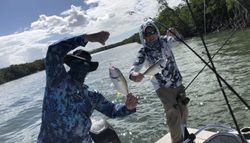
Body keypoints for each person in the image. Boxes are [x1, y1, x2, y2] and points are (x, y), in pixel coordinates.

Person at [37, 31, 138, 143]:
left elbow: (113, 110)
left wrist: (128, 107)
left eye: (85, 64)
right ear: (71, 64)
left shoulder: (92, 97)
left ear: (88, 69)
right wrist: (86, 38)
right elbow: (53, 51)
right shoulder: (56, 81)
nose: (81, 66)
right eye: (77, 62)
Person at [129, 20, 189, 143]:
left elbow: (180, 41)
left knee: (183, 109)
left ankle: (184, 132)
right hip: (161, 86)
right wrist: (134, 75)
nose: (151, 36)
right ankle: (177, 141)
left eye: (153, 32)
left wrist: (175, 34)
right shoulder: (143, 51)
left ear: (156, 31)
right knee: (172, 112)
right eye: (147, 34)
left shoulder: (165, 40)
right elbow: (133, 69)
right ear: (143, 36)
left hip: (177, 82)